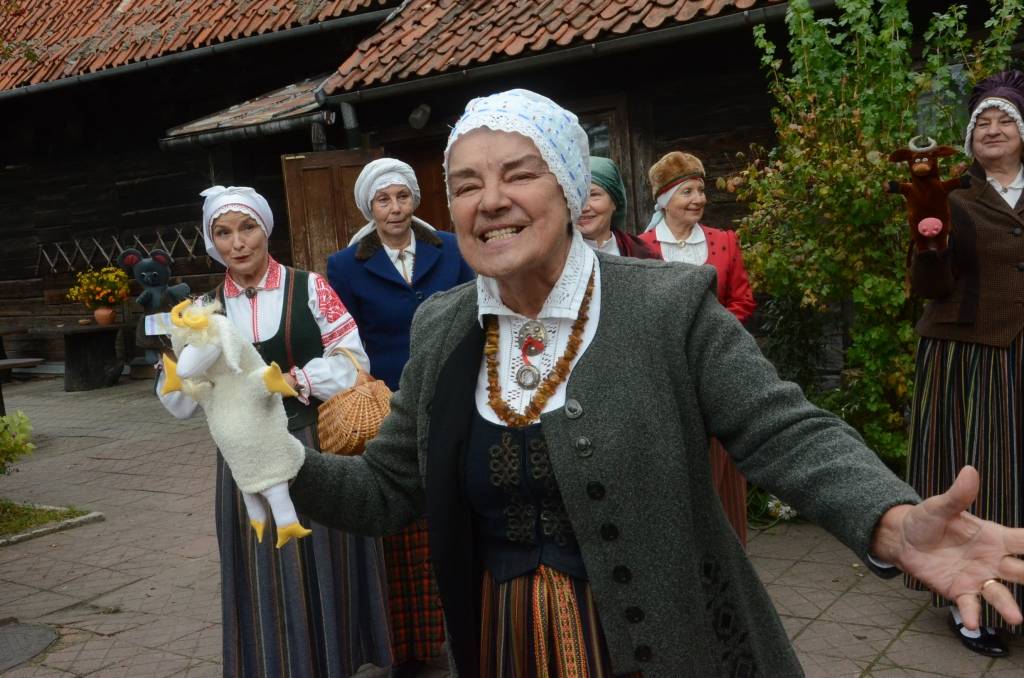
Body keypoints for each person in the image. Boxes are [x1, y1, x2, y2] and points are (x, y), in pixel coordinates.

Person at [286, 89, 1024, 677]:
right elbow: (386, 489)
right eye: (466, 184)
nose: (491, 200)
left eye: (519, 173)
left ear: (570, 188)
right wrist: (276, 457)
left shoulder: (665, 305)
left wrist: (890, 520)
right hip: (504, 645)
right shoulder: (442, 327)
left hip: (663, 644)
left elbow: (782, 430)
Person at [157, 186, 392, 677]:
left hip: (311, 442)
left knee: (325, 554)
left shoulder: (310, 288)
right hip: (245, 456)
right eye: (224, 233)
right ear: (213, 242)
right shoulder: (203, 309)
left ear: (265, 230)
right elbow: (181, 403)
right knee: (261, 561)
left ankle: (334, 661)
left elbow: (353, 360)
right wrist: (174, 371)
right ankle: (276, 664)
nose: (238, 242)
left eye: (248, 228)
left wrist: (296, 379)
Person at [326, 159, 474, 676]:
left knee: (458, 506)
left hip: (455, 393)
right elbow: (347, 340)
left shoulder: (450, 249)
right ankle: (409, 642)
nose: (394, 208)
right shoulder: (345, 266)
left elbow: (476, 313)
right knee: (403, 519)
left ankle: (467, 620)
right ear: (369, 207)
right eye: (383, 200)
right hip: (390, 406)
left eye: (402, 197)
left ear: (416, 200)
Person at [908, 70, 1024, 657]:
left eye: (1006, 120)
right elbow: (928, 287)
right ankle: (968, 599)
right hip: (967, 353)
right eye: (982, 122)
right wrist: (928, 244)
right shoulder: (947, 195)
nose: (993, 129)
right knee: (975, 472)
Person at [639, 151, 756, 544]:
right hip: (666, 372)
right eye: (686, 191)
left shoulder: (724, 242)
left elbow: (743, 299)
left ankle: (730, 548)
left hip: (717, 366)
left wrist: (712, 331)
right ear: (664, 200)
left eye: (700, 190)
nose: (698, 199)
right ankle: (678, 546)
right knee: (674, 457)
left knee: (723, 459)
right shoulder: (643, 248)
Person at [577, 156, 658, 258]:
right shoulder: (557, 256)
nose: (584, 208)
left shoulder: (643, 255)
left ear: (615, 202)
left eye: (594, 195)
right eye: (576, 196)